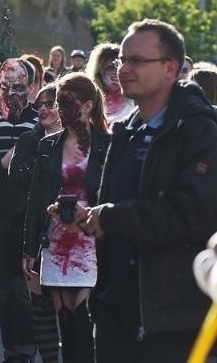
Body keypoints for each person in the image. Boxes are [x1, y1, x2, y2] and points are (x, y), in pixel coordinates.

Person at [73, 19, 217, 362]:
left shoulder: (200, 132)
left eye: (137, 61)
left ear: (170, 68)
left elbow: (192, 215)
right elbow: (118, 208)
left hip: (173, 319)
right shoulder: (127, 130)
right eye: (122, 60)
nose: (124, 69)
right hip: (115, 309)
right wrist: (90, 217)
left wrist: (111, 216)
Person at [23, 74, 110, 363]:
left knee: (85, 318)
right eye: (58, 103)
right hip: (57, 240)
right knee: (66, 318)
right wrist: (29, 248)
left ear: (86, 106)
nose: (59, 110)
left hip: (92, 239)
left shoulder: (107, 144)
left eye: (66, 103)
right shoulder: (49, 146)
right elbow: (36, 200)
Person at [0, 57, 39, 362]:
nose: (13, 92)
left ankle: (26, 349)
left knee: (23, 288)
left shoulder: (40, 120)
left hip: (29, 214)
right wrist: (6, 162)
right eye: (6, 86)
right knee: (3, 289)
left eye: (20, 87)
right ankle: (10, 349)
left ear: (31, 87)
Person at [9, 83, 63, 363]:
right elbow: (18, 182)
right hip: (34, 228)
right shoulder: (29, 141)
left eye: (50, 103)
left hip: (71, 238)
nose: (43, 108)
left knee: (69, 310)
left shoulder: (84, 142)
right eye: (39, 103)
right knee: (39, 304)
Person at [87, 43, 134, 126]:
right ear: (98, 73)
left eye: (119, 67)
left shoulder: (136, 99)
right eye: (110, 68)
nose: (116, 72)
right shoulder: (90, 103)